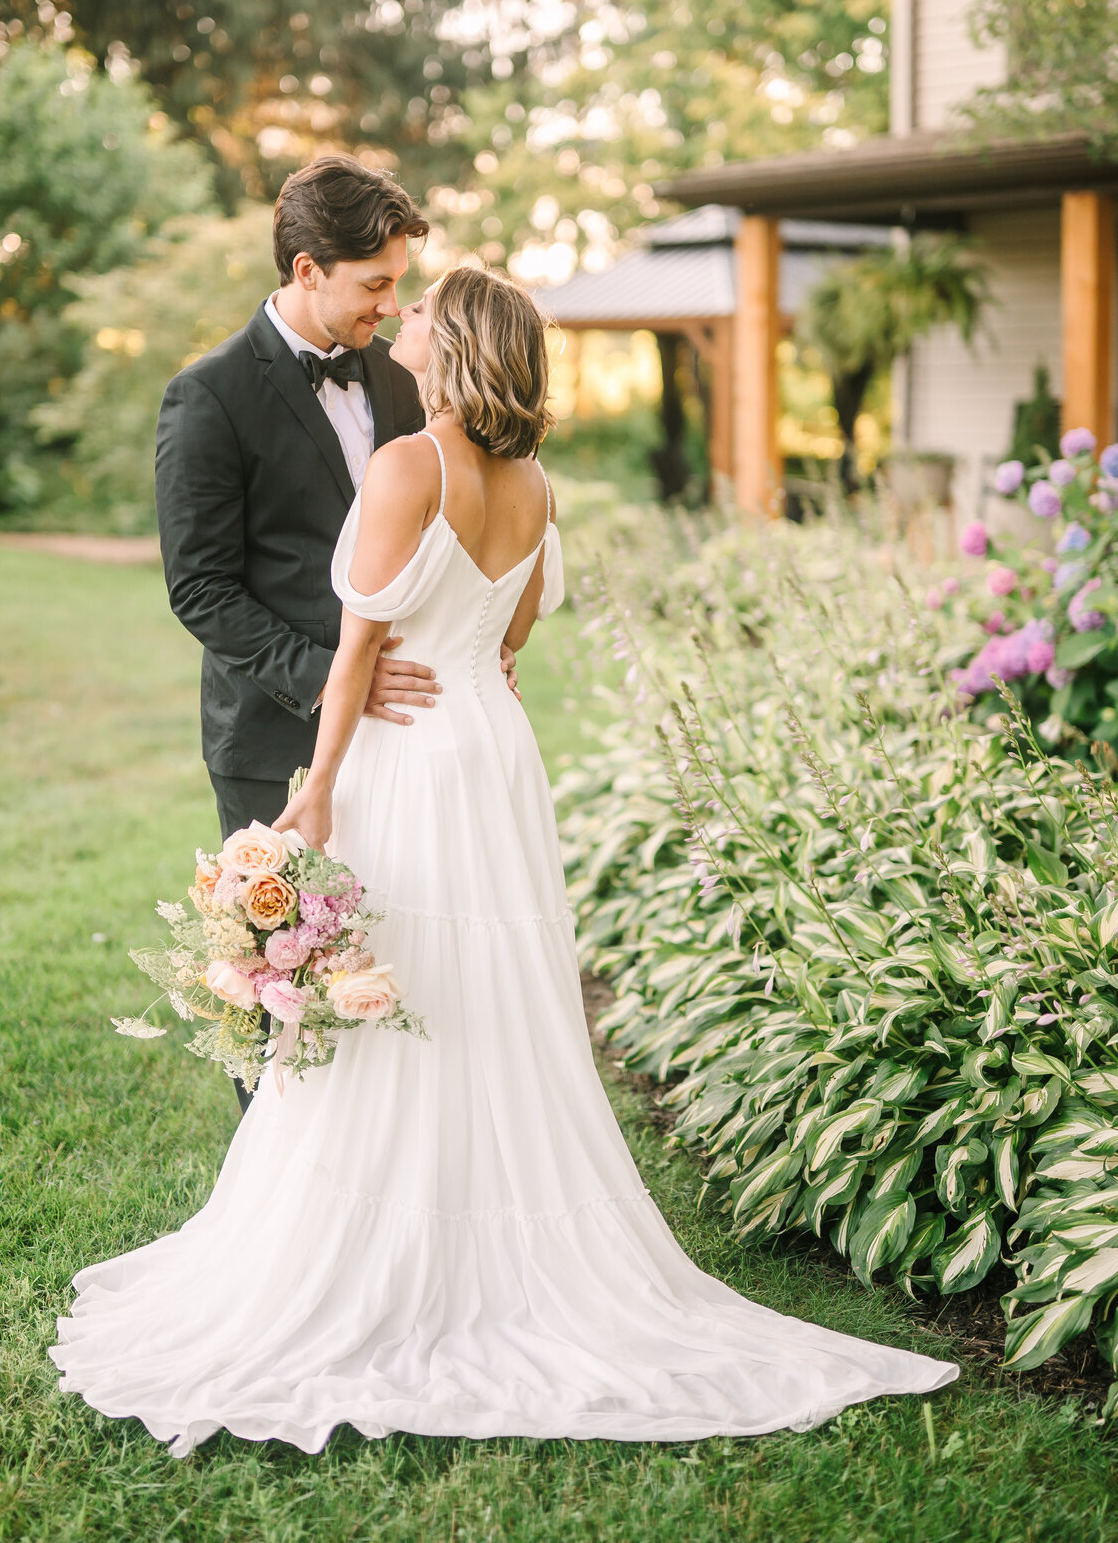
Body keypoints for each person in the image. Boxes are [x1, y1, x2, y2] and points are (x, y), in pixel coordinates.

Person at [51, 264, 956, 1455]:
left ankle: (379, 1259)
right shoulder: (531, 482)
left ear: (455, 346)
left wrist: (315, 789)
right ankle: (490, 1242)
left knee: (401, 986)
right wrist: (466, 660)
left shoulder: (405, 467)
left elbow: (359, 653)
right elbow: (513, 636)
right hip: (491, 749)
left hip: (404, 752)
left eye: (423, 310)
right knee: (481, 992)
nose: (404, 321)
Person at [153, 156, 513, 1111]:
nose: (394, 309)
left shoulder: (400, 383)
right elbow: (201, 591)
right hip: (275, 733)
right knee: (280, 980)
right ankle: (270, 1205)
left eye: (400, 285)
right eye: (376, 285)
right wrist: (331, 678)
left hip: (407, 745)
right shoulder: (209, 397)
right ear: (307, 268)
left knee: (384, 964)